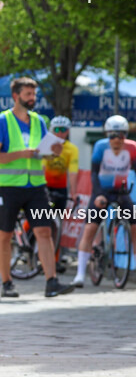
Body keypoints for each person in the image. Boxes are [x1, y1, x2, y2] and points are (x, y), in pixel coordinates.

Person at [0, 77, 74, 297]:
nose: (33, 99)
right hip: (8, 186)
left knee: (44, 230)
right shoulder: (3, 121)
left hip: (36, 186)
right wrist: (20, 154)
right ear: (16, 96)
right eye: (28, 95)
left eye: (34, 95)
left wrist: (54, 151)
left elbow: (45, 151)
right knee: (4, 236)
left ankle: (52, 282)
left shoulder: (39, 121)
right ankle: (6, 283)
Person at [70, 116, 136, 289]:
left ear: (125, 135)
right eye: (112, 136)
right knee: (90, 229)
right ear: (107, 135)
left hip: (122, 192)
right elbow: (94, 173)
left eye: (121, 136)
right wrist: (99, 195)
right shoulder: (100, 146)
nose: (116, 140)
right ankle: (80, 275)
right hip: (102, 191)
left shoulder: (132, 147)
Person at [43, 115, 78, 211]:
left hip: (61, 188)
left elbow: (73, 172)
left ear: (68, 131)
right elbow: (42, 167)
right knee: (38, 216)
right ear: (52, 131)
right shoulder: (46, 144)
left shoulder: (72, 149)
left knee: (58, 218)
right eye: (57, 130)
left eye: (63, 130)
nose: (60, 133)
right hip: (44, 186)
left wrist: (74, 193)